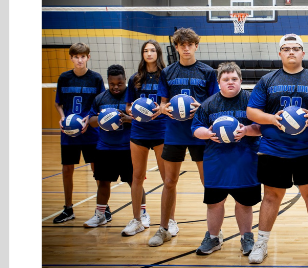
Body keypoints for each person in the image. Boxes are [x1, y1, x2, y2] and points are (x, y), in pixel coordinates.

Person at [246, 34, 308, 265]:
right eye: (286, 48)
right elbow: (252, 112)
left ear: (303, 53)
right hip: (274, 150)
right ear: (280, 53)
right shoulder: (267, 80)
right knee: (271, 198)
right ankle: (261, 244)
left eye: (295, 48)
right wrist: (272, 119)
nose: (291, 52)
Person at [149, 28, 219, 247]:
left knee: (207, 182)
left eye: (190, 44)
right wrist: (163, 108)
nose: (186, 48)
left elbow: (215, 103)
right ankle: (164, 229)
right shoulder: (168, 72)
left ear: (196, 46)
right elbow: (162, 102)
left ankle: (214, 232)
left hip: (200, 133)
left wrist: (202, 107)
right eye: (182, 45)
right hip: (173, 133)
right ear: (176, 47)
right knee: (169, 182)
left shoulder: (207, 72)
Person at [191, 63, 263, 255]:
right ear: (218, 82)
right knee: (214, 203)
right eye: (226, 79)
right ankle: (213, 238)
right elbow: (195, 128)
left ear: (241, 80)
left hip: (245, 161)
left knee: (244, 203)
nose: (230, 82)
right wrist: (207, 133)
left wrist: (246, 131)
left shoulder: (251, 101)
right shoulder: (209, 103)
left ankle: (246, 237)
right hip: (217, 162)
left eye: (234, 79)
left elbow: (262, 127)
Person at [52, 42, 104, 224]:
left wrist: (88, 118)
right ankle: (68, 208)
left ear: (88, 57)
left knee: (97, 170)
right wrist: (61, 118)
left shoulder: (96, 79)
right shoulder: (64, 78)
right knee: (67, 169)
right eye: (76, 57)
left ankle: (103, 209)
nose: (80, 60)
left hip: (90, 131)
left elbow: (100, 105)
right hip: (69, 132)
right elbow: (58, 103)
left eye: (83, 56)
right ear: (71, 58)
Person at [121, 39, 167, 236]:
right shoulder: (135, 78)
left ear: (158, 53)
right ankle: (137, 220)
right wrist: (135, 111)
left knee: (168, 179)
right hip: (139, 130)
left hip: (161, 130)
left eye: (152, 50)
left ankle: (169, 222)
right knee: (137, 177)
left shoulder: (166, 76)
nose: (149, 54)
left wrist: (159, 109)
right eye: (145, 51)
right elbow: (128, 106)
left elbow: (167, 102)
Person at [83, 65, 133, 227]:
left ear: (125, 80)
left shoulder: (131, 97)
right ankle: (100, 215)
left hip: (128, 148)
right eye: (112, 84)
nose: (116, 87)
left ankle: (142, 214)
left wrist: (127, 118)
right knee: (103, 182)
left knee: (134, 183)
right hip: (104, 148)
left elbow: (141, 119)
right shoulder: (100, 99)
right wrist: (102, 119)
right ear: (107, 82)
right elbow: (91, 121)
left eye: (119, 83)